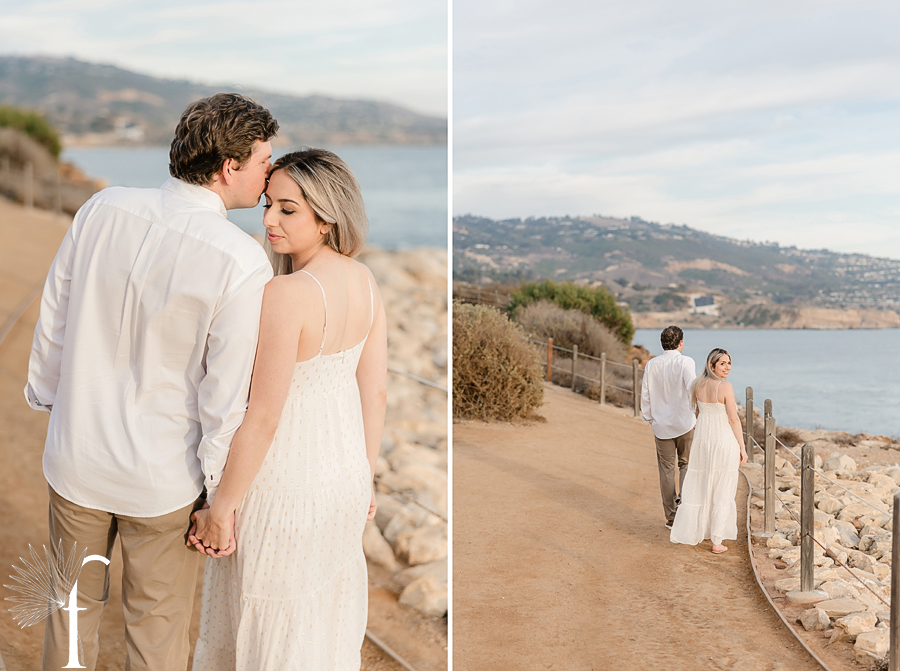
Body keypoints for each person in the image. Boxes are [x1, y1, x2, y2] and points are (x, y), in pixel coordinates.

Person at [24, 93, 278, 671]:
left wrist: (46, 396)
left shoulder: (103, 208)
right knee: (157, 641)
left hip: (76, 458)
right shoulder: (241, 260)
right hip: (162, 483)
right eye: (264, 160)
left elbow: (55, 314)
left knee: (69, 620)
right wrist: (218, 496)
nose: (268, 176)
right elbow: (223, 397)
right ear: (228, 167)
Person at [187, 149, 388, 670]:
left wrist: (222, 507)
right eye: (268, 205)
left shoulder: (286, 293)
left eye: (288, 209)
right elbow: (376, 392)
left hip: (285, 486)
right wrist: (364, 475)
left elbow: (264, 416)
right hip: (344, 477)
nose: (269, 220)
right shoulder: (365, 281)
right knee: (318, 623)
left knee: (267, 627)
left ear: (327, 219)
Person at [670, 348, 748, 553]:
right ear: (711, 365)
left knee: (702, 484)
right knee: (723, 487)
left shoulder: (698, 385)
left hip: (703, 443)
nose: (727, 367)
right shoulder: (725, 387)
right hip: (723, 442)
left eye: (729, 363)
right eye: (722, 363)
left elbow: (697, 414)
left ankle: (699, 530)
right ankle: (716, 540)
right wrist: (742, 446)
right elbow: (733, 419)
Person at [640, 325, 697, 529]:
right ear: (681, 343)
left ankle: (671, 517)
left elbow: (645, 392)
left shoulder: (652, 364)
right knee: (686, 465)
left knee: (666, 470)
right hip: (684, 423)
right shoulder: (686, 362)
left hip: (661, 425)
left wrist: (648, 417)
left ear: (662, 343)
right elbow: (693, 388)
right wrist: (697, 413)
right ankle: (685, 509)